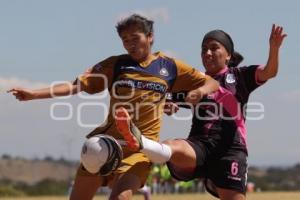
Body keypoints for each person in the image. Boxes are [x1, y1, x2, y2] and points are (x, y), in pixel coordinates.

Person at [7, 14, 219, 200]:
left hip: (140, 150)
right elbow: (75, 86)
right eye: (125, 40)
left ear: (150, 36)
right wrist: (34, 94)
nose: (130, 44)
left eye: (135, 38)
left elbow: (212, 82)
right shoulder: (115, 65)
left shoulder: (170, 67)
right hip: (104, 147)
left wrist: (199, 92)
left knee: (120, 197)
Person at [114, 24, 287, 200]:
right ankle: (141, 141)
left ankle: (214, 179)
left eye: (214, 48)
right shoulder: (193, 82)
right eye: (204, 49)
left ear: (228, 55)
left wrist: (274, 48)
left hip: (230, 152)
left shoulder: (240, 76)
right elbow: (162, 98)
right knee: (171, 146)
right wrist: (166, 104)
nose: (208, 53)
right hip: (199, 147)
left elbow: (269, 72)